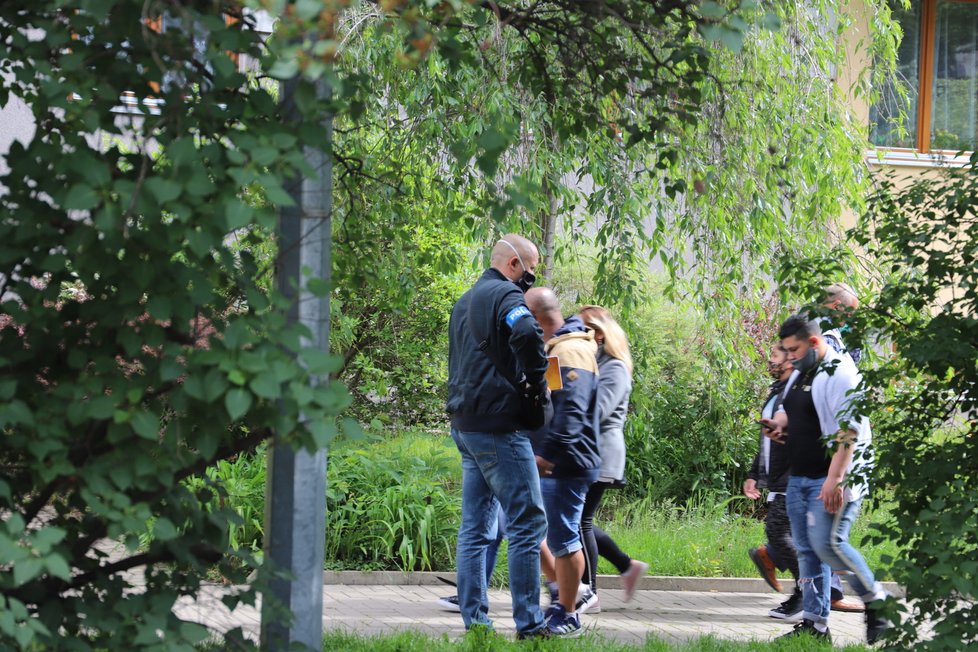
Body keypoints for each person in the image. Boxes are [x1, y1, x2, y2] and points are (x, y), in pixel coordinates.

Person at [761, 315, 892, 644]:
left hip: (833, 477)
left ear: (815, 343)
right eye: (785, 351)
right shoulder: (803, 371)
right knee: (806, 551)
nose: (788, 357)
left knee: (828, 544)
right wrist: (779, 425)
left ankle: (878, 601)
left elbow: (849, 432)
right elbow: (790, 409)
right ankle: (815, 625)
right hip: (800, 476)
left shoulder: (841, 372)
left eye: (794, 350)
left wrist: (835, 480)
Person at [445, 235, 551, 639]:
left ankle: (476, 623)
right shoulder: (507, 295)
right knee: (528, 521)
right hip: (499, 427)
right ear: (513, 265)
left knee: (476, 527)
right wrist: (536, 378)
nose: (531, 278)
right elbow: (525, 331)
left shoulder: (464, 301)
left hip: (465, 425)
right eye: (531, 269)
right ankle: (530, 624)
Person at [524, 287, 602, 637]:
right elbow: (553, 403)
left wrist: (547, 455)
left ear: (536, 318)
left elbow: (571, 412)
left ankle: (569, 612)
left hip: (566, 463)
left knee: (565, 537)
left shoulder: (570, 349)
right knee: (544, 533)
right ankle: (563, 595)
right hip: (555, 460)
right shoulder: (557, 348)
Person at [576, 305, 648, 609]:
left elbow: (598, 411)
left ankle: (588, 591)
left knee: (580, 522)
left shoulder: (615, 367)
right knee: (580, 520)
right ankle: (625, 565)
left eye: (582, 330)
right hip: (590, 449)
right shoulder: (597, 361)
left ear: (600, 334)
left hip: (601, 451)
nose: (576, 336)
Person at [744, 345, 802, 621]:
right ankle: (807, 591)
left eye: (776, 354)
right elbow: (768, 436)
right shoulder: (777, 390)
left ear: (791, 359)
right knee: (781, 533)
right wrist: (755, 473)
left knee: (778, 531)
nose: (770, 359)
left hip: (795, 473)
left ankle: (807, 592)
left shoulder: (796, 390)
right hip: (778, 475)